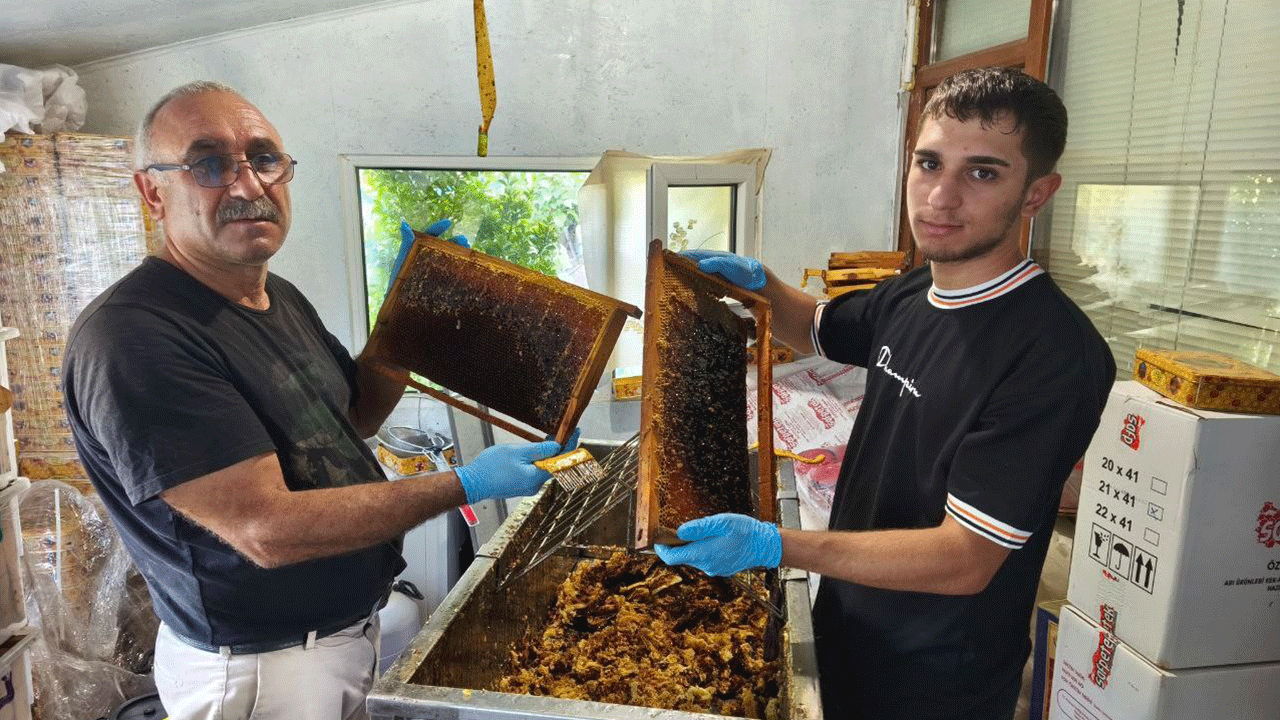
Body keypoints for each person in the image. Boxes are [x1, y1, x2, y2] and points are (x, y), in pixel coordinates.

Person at [61, 81, 569, 720]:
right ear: (152, 192)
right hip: (262, 670)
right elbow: (265, 530)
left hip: (332, 642)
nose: (249, 184)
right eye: (210, 164)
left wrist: (406, 316)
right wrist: (465, 484)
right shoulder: (137, 336)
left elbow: (354, 416)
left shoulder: (278, 296)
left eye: (264, 159)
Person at [656, 67, 1116, 720]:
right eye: (928, 164)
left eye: (982, 173)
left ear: (1037, 192)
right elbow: (818, 328)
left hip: (933, 683)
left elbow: (965, 558)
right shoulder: (916, 291)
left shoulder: (1053, 355)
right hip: (849, 629)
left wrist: (776, 544)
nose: (941, 197)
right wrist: (761, 285)